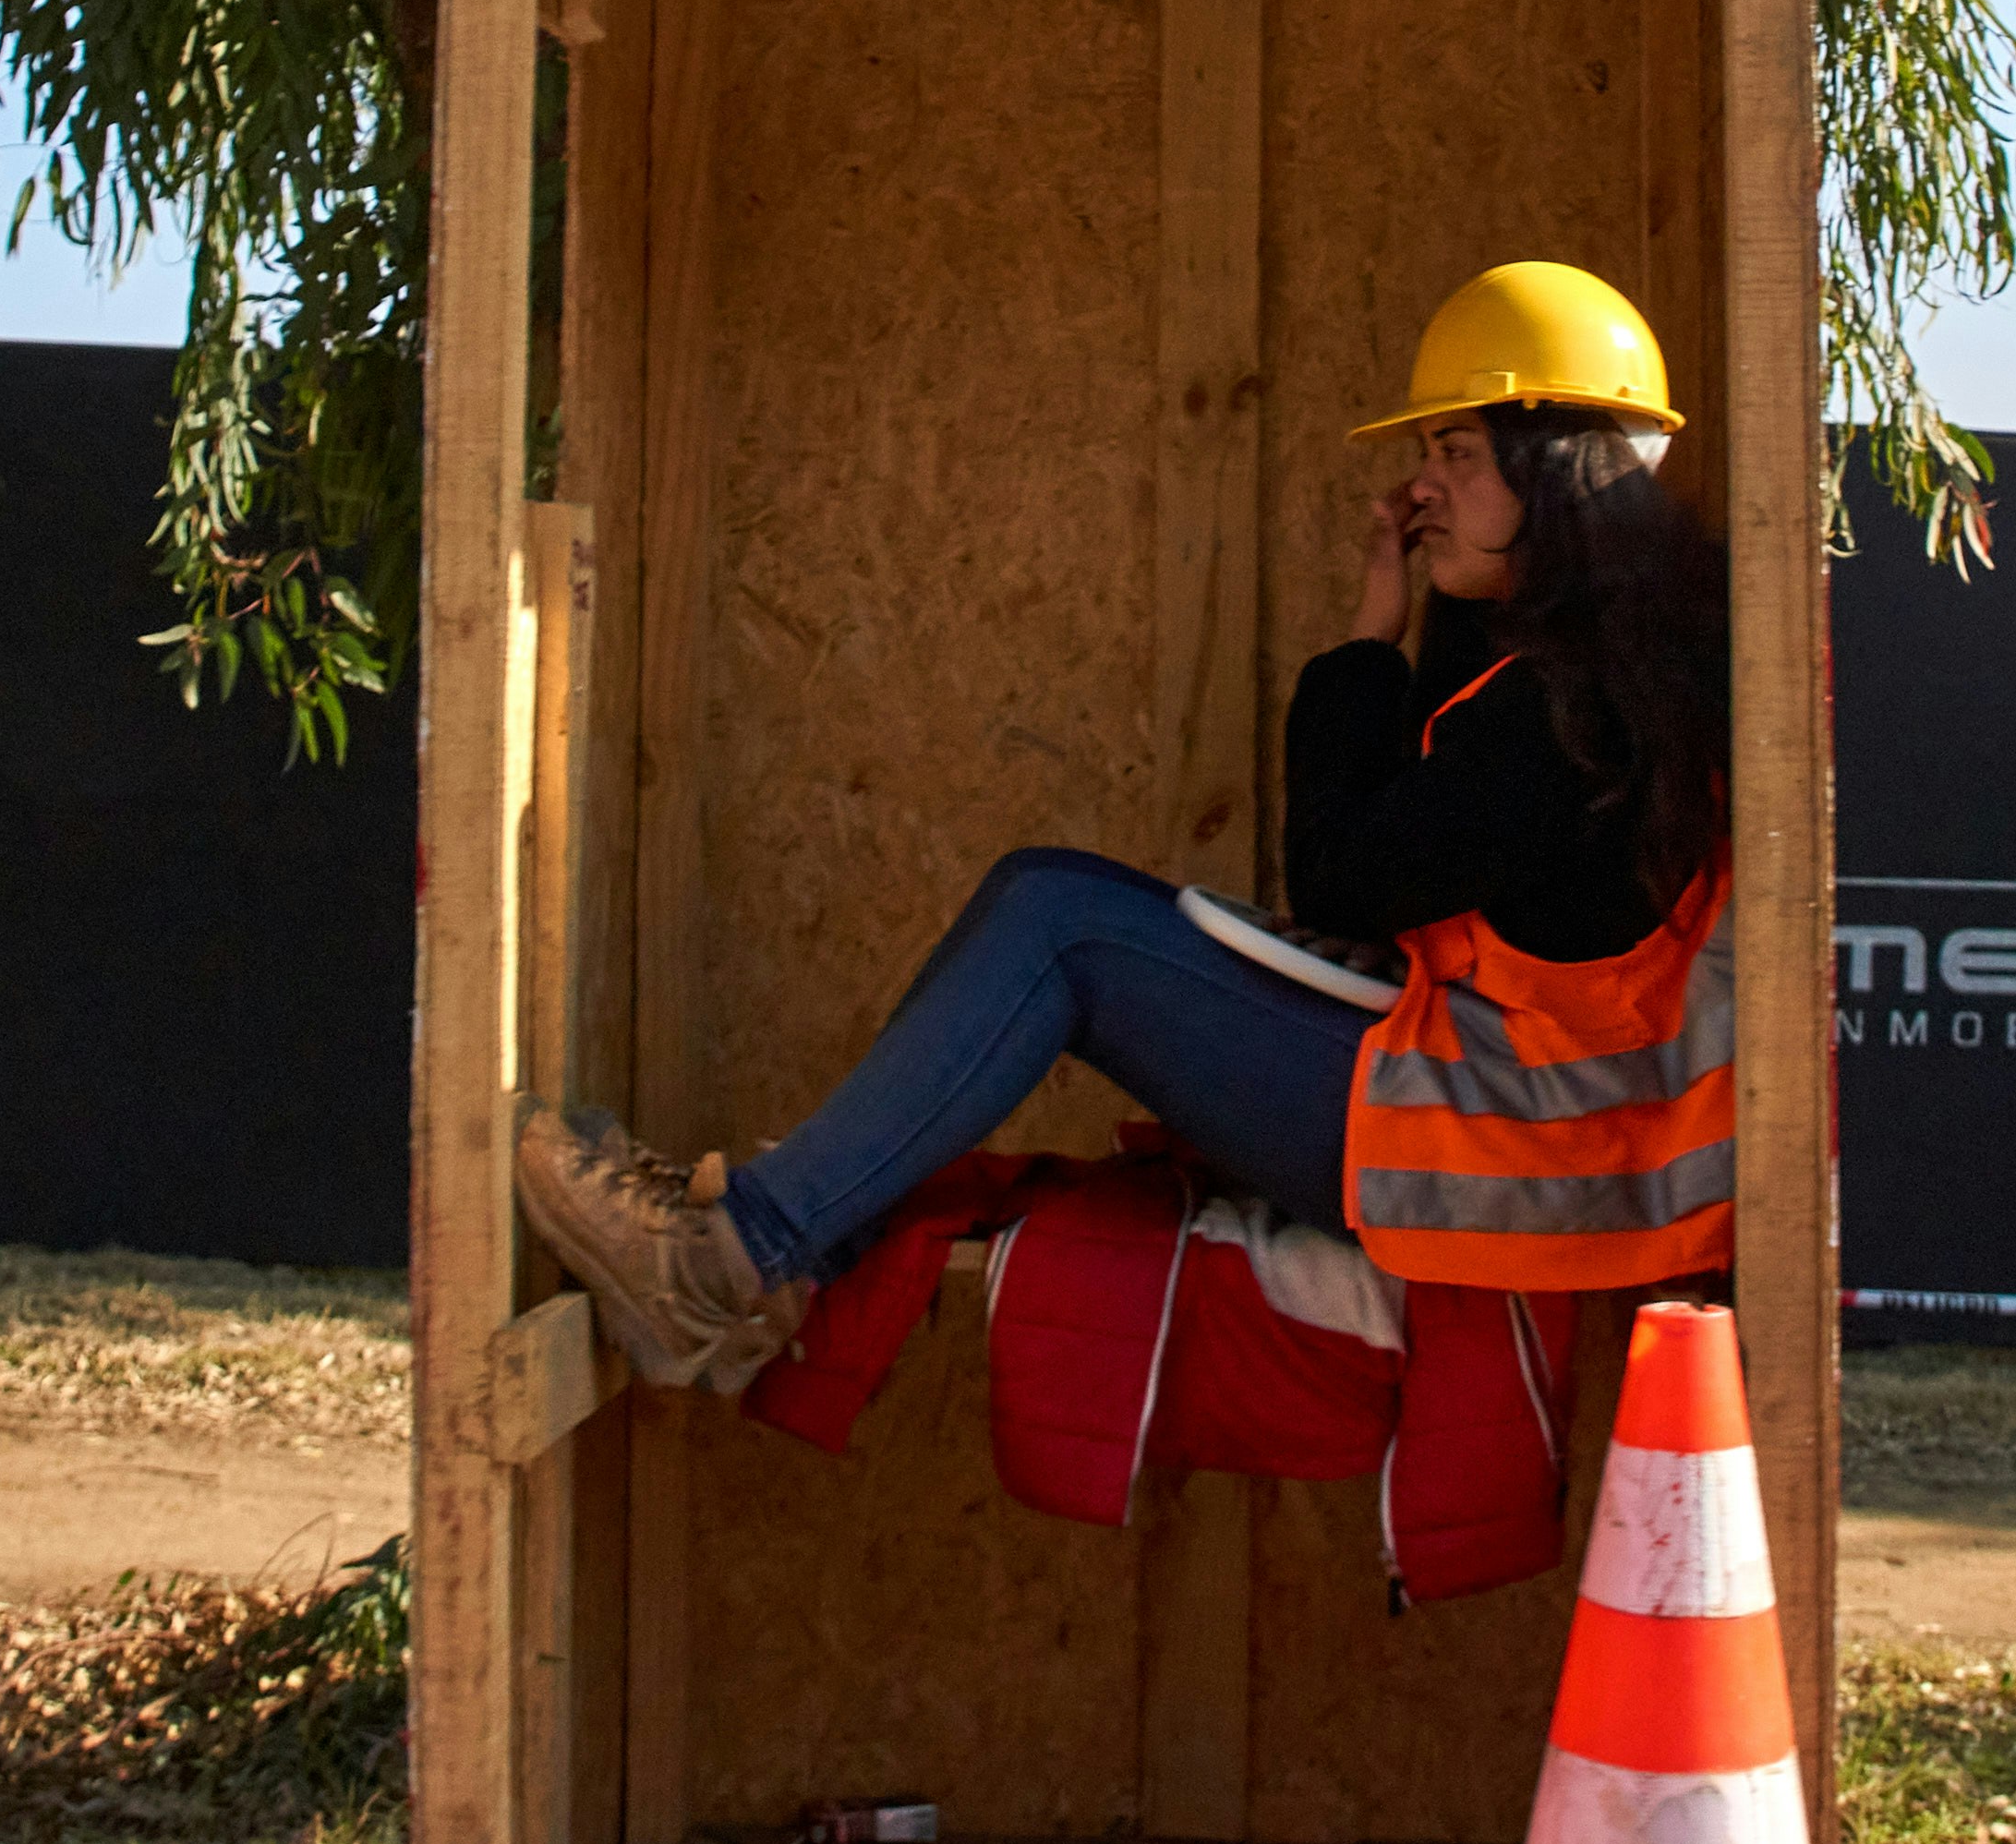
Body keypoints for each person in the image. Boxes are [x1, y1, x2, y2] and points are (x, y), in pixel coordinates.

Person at [514, 259, 1738, 1393]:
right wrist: (1410, 619)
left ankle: (725, 1267)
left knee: (1058, 926)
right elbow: (1414, 839)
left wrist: (1370, 642)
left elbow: (1340, 873)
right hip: (1513, 1134)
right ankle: (787, 1246)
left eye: (1460, 448)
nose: (1425, 483)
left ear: (1561, 472)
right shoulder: (1605, 669)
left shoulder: (1571, 714)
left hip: (1516, 1164)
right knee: (1044, 897)